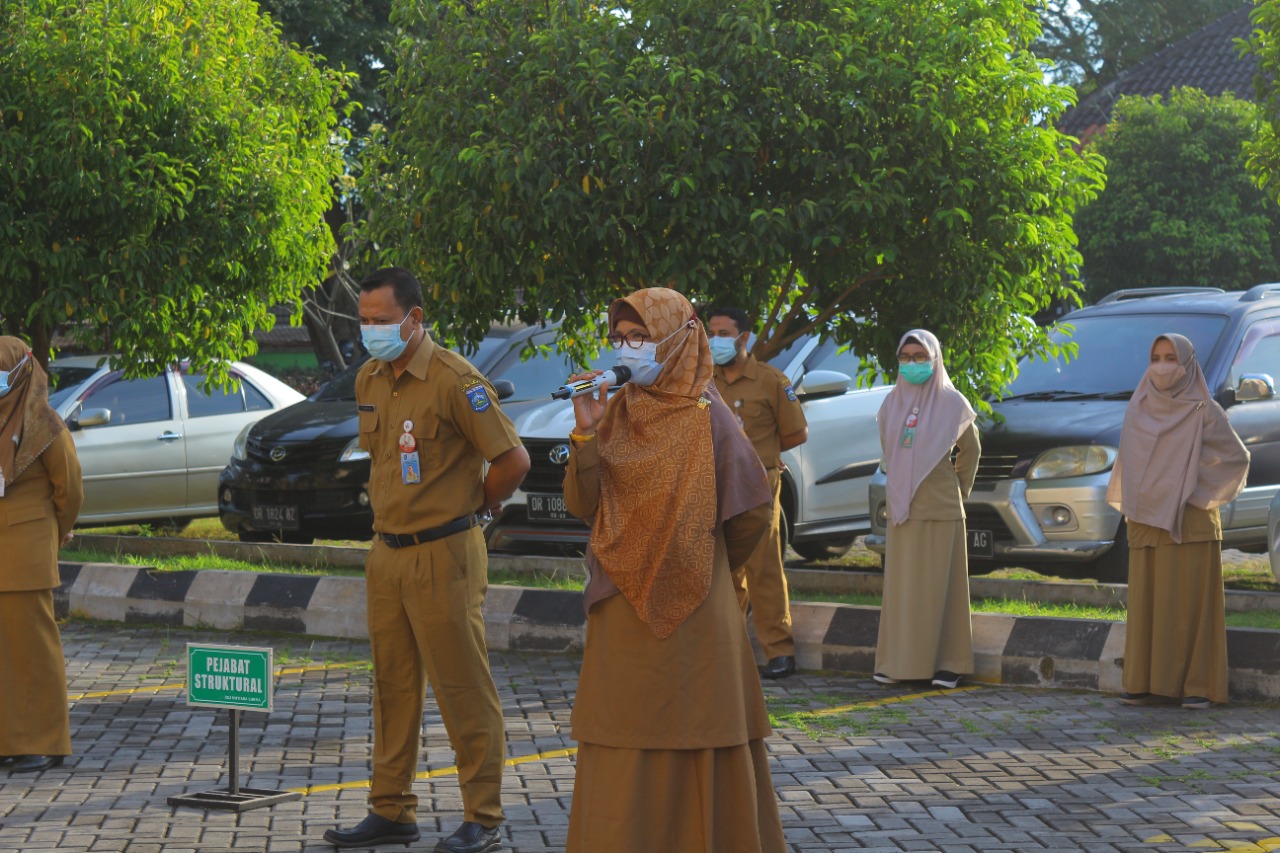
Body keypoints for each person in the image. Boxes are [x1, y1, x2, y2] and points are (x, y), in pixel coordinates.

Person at [562, 287, 786, 853]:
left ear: (678, 339)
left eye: (640, 337)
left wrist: (702, 561)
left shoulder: (710, 417)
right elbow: (582, 503)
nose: (627, 348)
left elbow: (754, 511)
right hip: (622, 606)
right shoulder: (615, 412)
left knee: (699, 734)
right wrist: (584, 432)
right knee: (621, 734)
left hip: (696, 609)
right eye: (620, 338)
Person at [324, 268, 531, 853]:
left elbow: (513, 461)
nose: (371, 331)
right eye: (364, 321)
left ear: (415, 318)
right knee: (392, 687)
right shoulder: (369, 377)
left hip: (445, 551)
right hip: (387, 552)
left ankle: (482, 816)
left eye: (382, 321)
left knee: (461, 686)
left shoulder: (454, 379)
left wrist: (476, 510)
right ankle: (391, 809)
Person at [1107, 333, 1249, 710]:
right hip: (1146, 522)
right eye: (1156, 357)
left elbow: (1236, 459)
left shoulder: (1203, 408)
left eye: (1171, 357)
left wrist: (1194, 492)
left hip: (1190, 523)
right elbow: (1132, 464)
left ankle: (1198, 686)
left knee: (1191, 608)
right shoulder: (1138, 406)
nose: (1163, 365)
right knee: (1148, 604)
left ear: (1187, 364)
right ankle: (1143, 682)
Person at [873, 329, 980, 690]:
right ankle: (899, 662)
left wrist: (957, 490)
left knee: (942, 588)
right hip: (903, 509)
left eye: (920, 357)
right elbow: (890, 452)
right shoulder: (891, 403)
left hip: (941, 506)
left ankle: (950, 664)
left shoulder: (953, 403)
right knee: (904, 589)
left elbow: (971, 451)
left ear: (935, 360)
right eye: (905, 358)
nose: (912, 364)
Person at [706, 306, 808, 679]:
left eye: (723, 332)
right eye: (711, 332)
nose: (715, 340)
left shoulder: (771, 381)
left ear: (743, 338)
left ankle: (779, 651)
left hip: (758, 485)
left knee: (763, 568)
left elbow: (797, 433)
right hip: (713, 483)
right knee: (722, 571)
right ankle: (726, 650)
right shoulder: (704, 380)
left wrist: (762, 455)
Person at [0, 337, 83, 774]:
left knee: (36, 652)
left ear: (20, 374)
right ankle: (10, 740)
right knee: (5, 657)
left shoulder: (45, 423)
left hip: (29, 552)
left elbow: (70, 487)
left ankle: (48, 742)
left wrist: (58, 528)